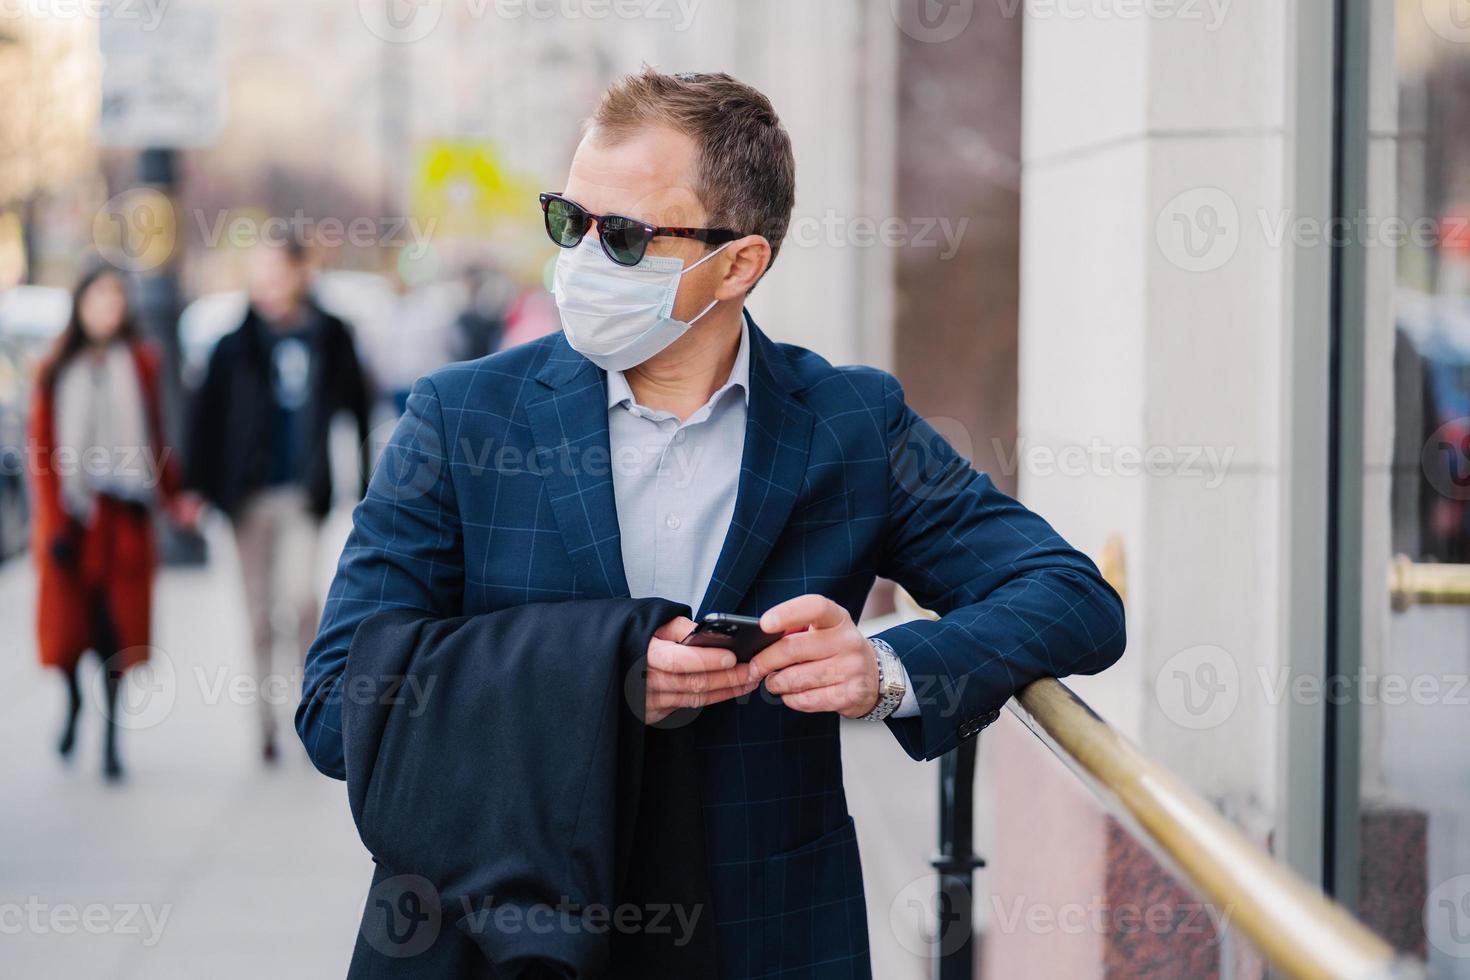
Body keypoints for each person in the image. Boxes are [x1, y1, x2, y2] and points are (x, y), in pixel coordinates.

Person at [298, 70, 1126, 977]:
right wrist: (598, 679)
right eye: (568, 221)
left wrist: (883, 670)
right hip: (502, 934)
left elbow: (1073, 595)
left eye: (620, 236)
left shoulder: (850, 421)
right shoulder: (460, 419)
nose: (578, 258)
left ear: (738, 263)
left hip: (765, 927)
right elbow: (338, 703)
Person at [185, 240, 371, 764]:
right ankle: (263, 724)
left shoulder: (330, 335)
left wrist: (366, 482)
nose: (268, 286)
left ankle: (305, 707)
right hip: (247, 499)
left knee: (301, 603)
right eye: (259, 276)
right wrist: (195, 490)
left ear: (300, 275)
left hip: (302, 495)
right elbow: (204, 419)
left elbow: (357, 408)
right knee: (259, 615)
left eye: (277, 274)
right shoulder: (233, 344)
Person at [29, 266, 183, 782]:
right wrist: (54, 527)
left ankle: (113, 742)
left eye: (115, 300)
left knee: (116, 634)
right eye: (97, 299)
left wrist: (172, 496)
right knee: (71, 636)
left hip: (125, 516)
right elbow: (43, 454)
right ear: (79, 305)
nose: (107, 310)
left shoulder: (140, 361)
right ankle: (74, 705)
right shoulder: (54, 369)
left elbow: (157, 435)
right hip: (73, 521)